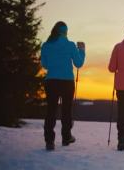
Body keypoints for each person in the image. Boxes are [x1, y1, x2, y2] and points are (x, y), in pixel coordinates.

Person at [39, 21, 85, 151]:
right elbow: (78, 63)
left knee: (51, 110)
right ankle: (66, 137)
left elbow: (45, 65)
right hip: (67, 81)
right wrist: (81, 50)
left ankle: (49, 141)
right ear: (65, 32)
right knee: (66, 110)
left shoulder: (46, 45)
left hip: (51, 81)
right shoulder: (70, 45)